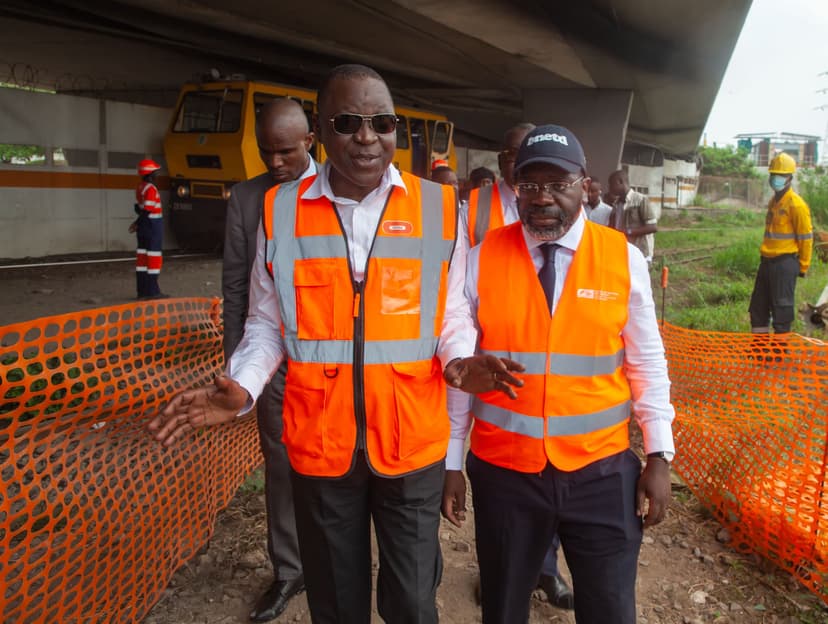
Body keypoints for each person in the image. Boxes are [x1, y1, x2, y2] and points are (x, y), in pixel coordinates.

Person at [148, 63, 516, 623]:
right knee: (337, 604)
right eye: (348, 123)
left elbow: (452, 313)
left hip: (411, 444)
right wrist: (243, 386)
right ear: (319, 131)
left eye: (381, 122)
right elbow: (267, 321)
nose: (367, 137)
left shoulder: (441, 208)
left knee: (413, 602)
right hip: (321, 443)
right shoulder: (281, 211)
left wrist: (459, 358)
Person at [443, 124, 675, 624]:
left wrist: (659, 454)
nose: (542, 197)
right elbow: (463, 371)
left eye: (558, 184)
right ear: (515, 188)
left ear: (584, 185)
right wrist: (451, 461)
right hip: (505, 474)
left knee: (610, 608)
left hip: (602, 472)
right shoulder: (482, 260)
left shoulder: (622, 259)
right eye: (529, 185)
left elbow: (647, 362)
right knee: (503, 608)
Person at [456, 121, 574, 609]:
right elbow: (461, 282)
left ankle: (546, 570)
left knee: (552, 476)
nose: (513, 161)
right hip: (494, 350)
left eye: (521, 153)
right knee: (504, 502)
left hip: (549, 365)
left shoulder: (557, 202)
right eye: (508, 154)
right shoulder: (475, 206)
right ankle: (503, 574)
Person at [222, 98, 315, 623]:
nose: (275, 162)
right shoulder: (246, 199)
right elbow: (237, 289)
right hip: (273, 363)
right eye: (266, 152)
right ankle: (289, 569)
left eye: (286, 152)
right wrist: (241, 377)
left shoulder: (342, 188)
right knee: (280, 467)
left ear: (310, 142)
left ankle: (338, 556)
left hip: (336, 364)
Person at [748, 152, 813, 335]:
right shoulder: (773, 202)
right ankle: (760, 350)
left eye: (781, 175)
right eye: (773, 174)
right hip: (766, 263)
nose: (776, 178)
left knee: (782, 312)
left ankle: (778, 351)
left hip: (784, 263)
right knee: (758, 309)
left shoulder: (796, 205)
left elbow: (806, 238)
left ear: (790, 178)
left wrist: (803, 266)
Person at [131, 159, 165, 299]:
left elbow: (139, 208)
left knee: (142, 260)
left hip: (144, 228)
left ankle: (142, 291)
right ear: (150, 174)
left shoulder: (140, 187)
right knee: (153, 259)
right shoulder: (151, 189)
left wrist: (138, 223)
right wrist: (137, 223)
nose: (157, 175)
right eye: (155, 172)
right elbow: (148, 210)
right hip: (152, 227)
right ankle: (153, 292)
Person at [608, 169, 658, 262]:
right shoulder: (616, 204)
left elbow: (653, 227)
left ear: (620, 182)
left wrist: (628, 231)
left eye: (611, 184)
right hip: (623, 251)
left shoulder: (641, 200)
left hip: (640, 253)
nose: (609, 188)